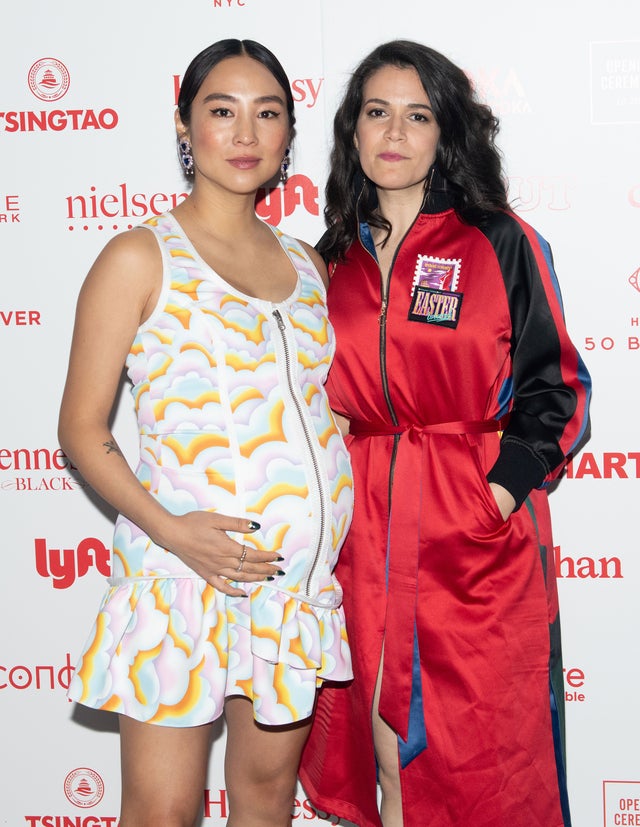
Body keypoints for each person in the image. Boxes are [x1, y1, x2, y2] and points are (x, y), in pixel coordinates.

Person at [58, 38, 353, 827]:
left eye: (268, 113)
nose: (246, 132)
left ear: (290, 132)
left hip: (291, 589)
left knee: (264, 804)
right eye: (221, 111)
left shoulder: (309, 267)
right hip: (181, 584)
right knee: (163, 811)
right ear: (185, 127)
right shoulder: (138, 256)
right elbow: (83, 430)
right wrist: (178, 534)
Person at [298, 40, 591, 827]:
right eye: (376, 112)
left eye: (417, 115)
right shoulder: (329, 261)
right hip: (364, 535)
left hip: (475, 538)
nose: (394, 133)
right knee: (387, 749)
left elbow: (557, 389)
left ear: (445, 132)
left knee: (487, 760)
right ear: (352, 130)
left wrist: (496, 491)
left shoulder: (499, 241)